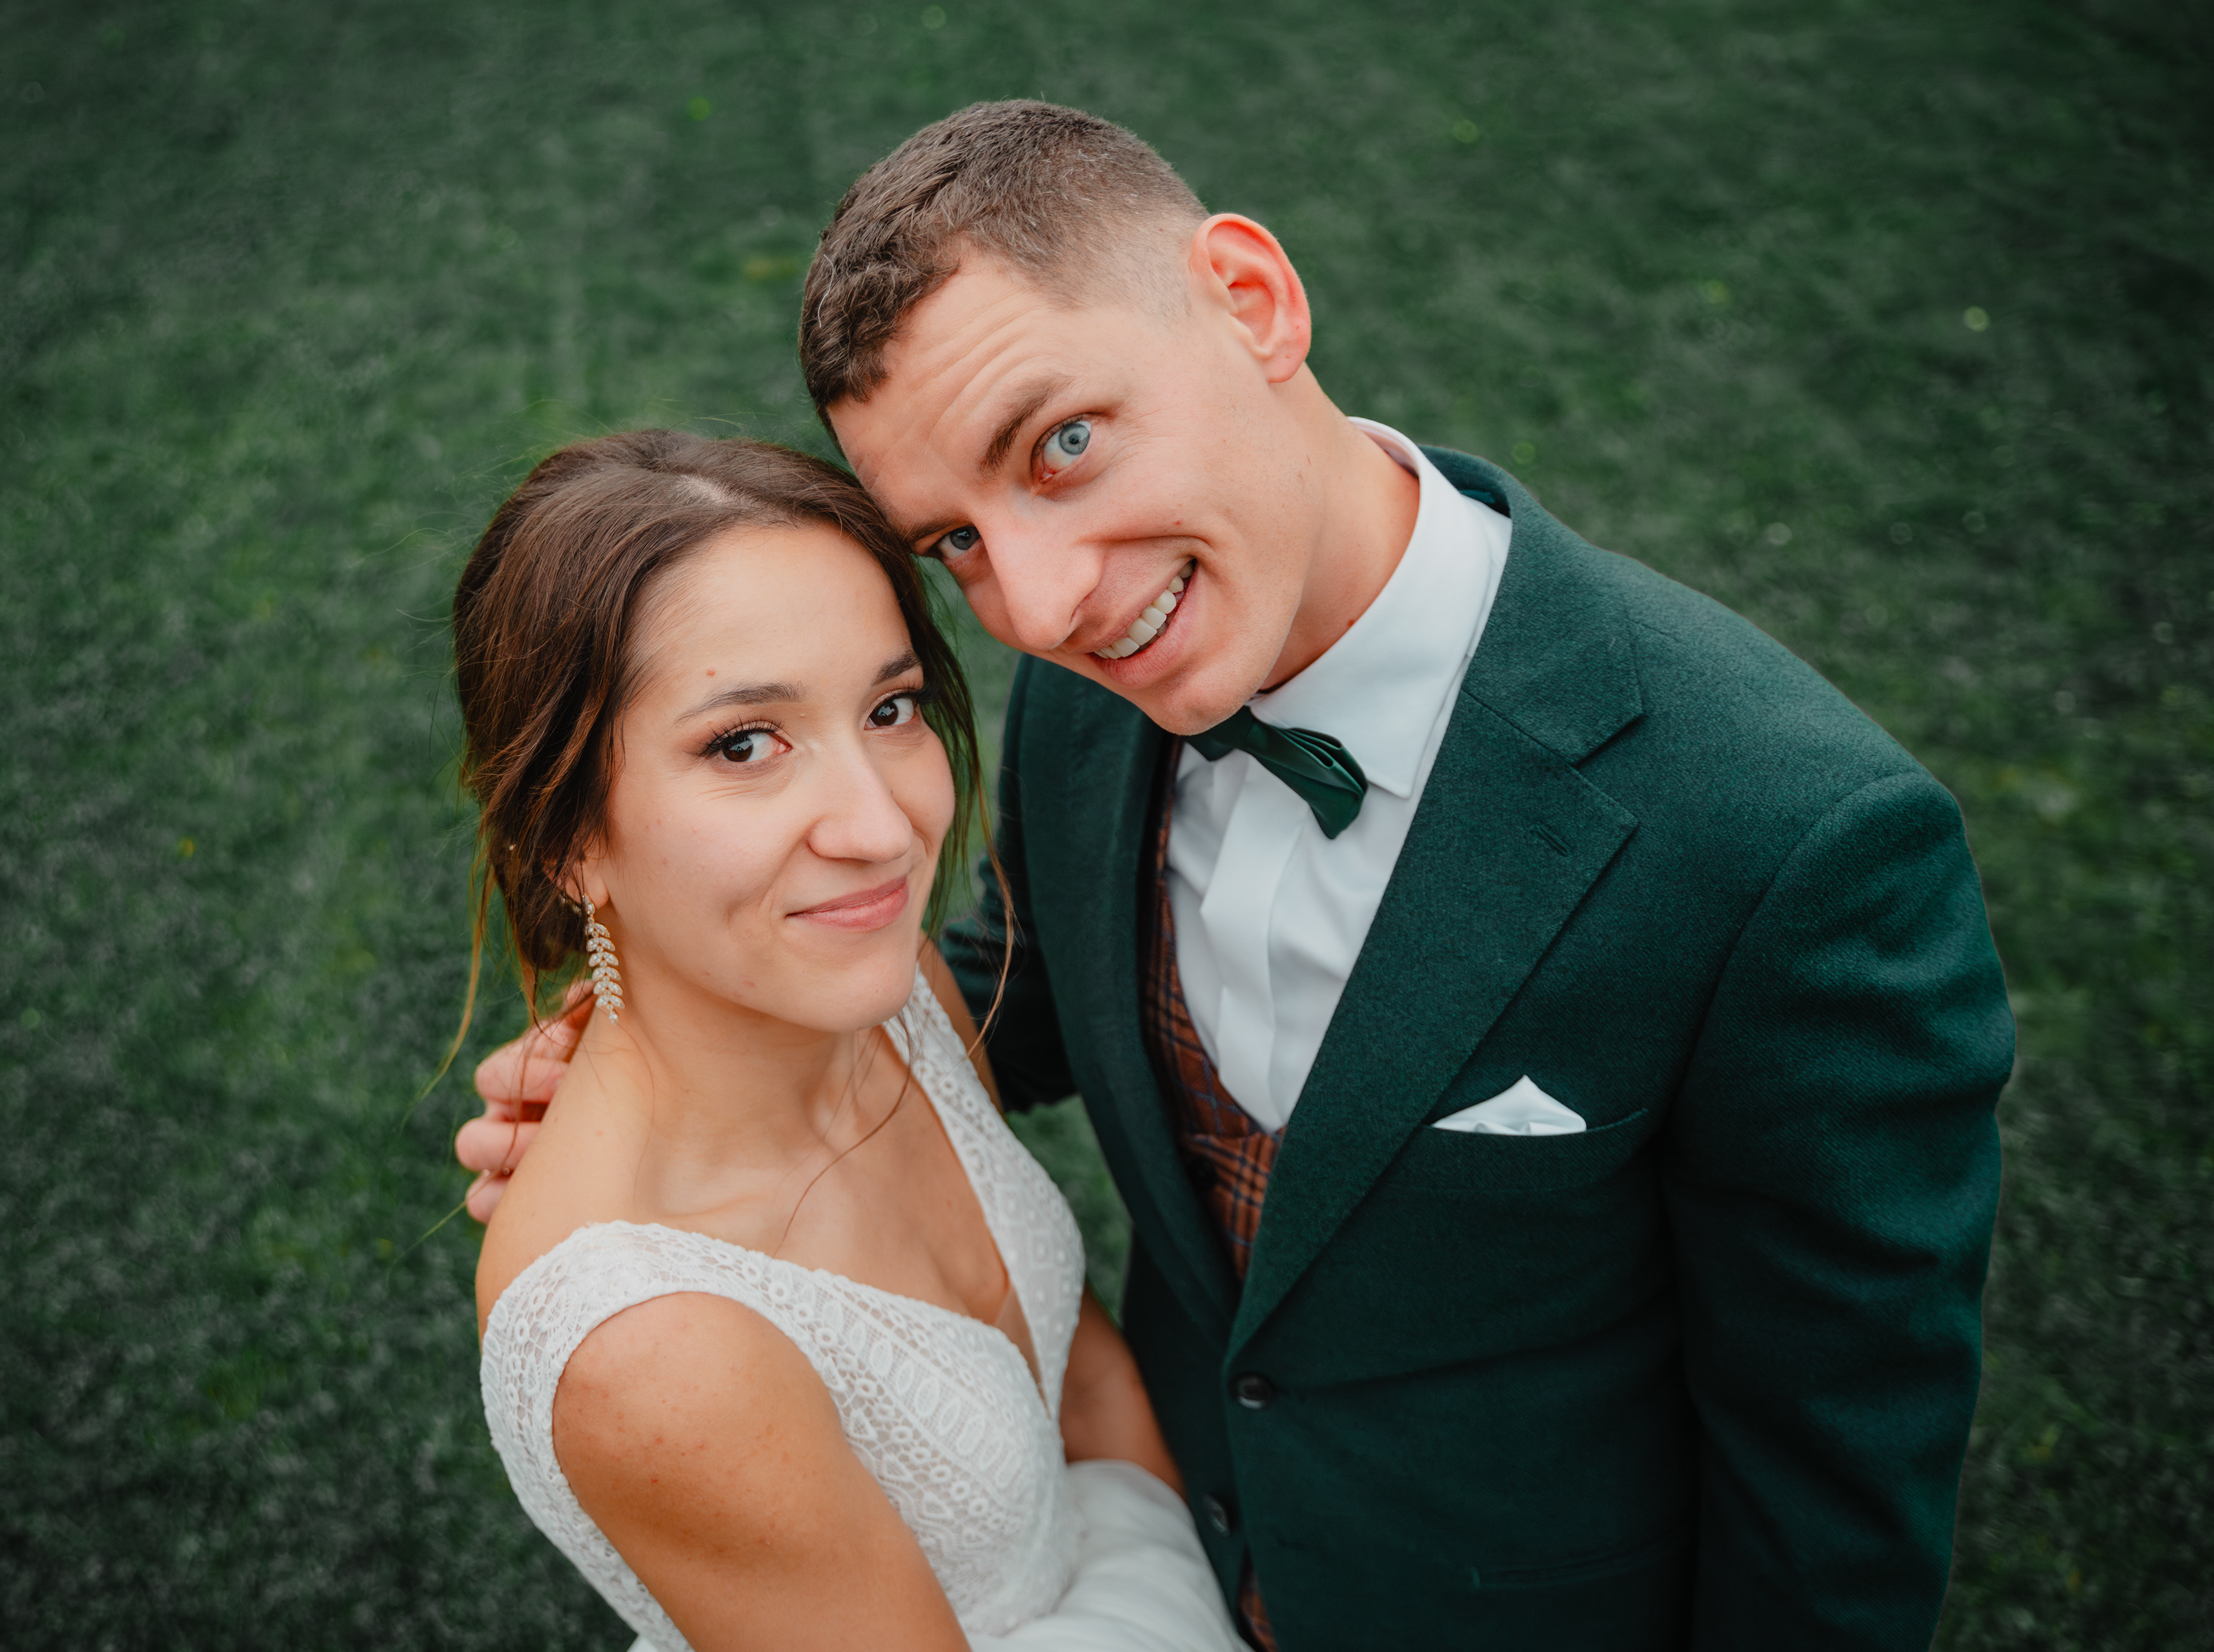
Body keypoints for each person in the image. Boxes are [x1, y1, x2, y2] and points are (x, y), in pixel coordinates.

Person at [463, 105, 2015, 1650]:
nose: (1043, 608)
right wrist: (670, 1060)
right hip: (1167, 1535)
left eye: (1063, 444)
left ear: (1254, 300)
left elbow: (1834, 1499)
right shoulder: (1096, 686)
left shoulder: (1792, 840)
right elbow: (1039, 975)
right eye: (957, 543)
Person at [455, 429, 1250, 1652]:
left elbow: (1082, 1378)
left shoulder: (895, 992)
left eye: (890, 709)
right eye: (744, 744)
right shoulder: (648, 1349)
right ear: (567, 839)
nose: (882, 830)